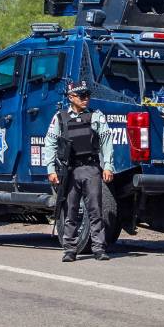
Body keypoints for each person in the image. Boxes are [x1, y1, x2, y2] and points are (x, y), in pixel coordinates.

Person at [41, 80, 114, 262]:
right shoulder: (60, 117)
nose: (86, 99)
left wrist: (108, 166)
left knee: (96, 210)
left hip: (91, 168)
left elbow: (107, 142)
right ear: (71, 97)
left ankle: (98, 248)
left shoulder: (96, 116)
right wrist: (51, 169)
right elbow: (49, 143)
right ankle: (69, 249)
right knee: (70, 210)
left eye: (88, 95)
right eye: (82, 96)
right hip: (70, 170)